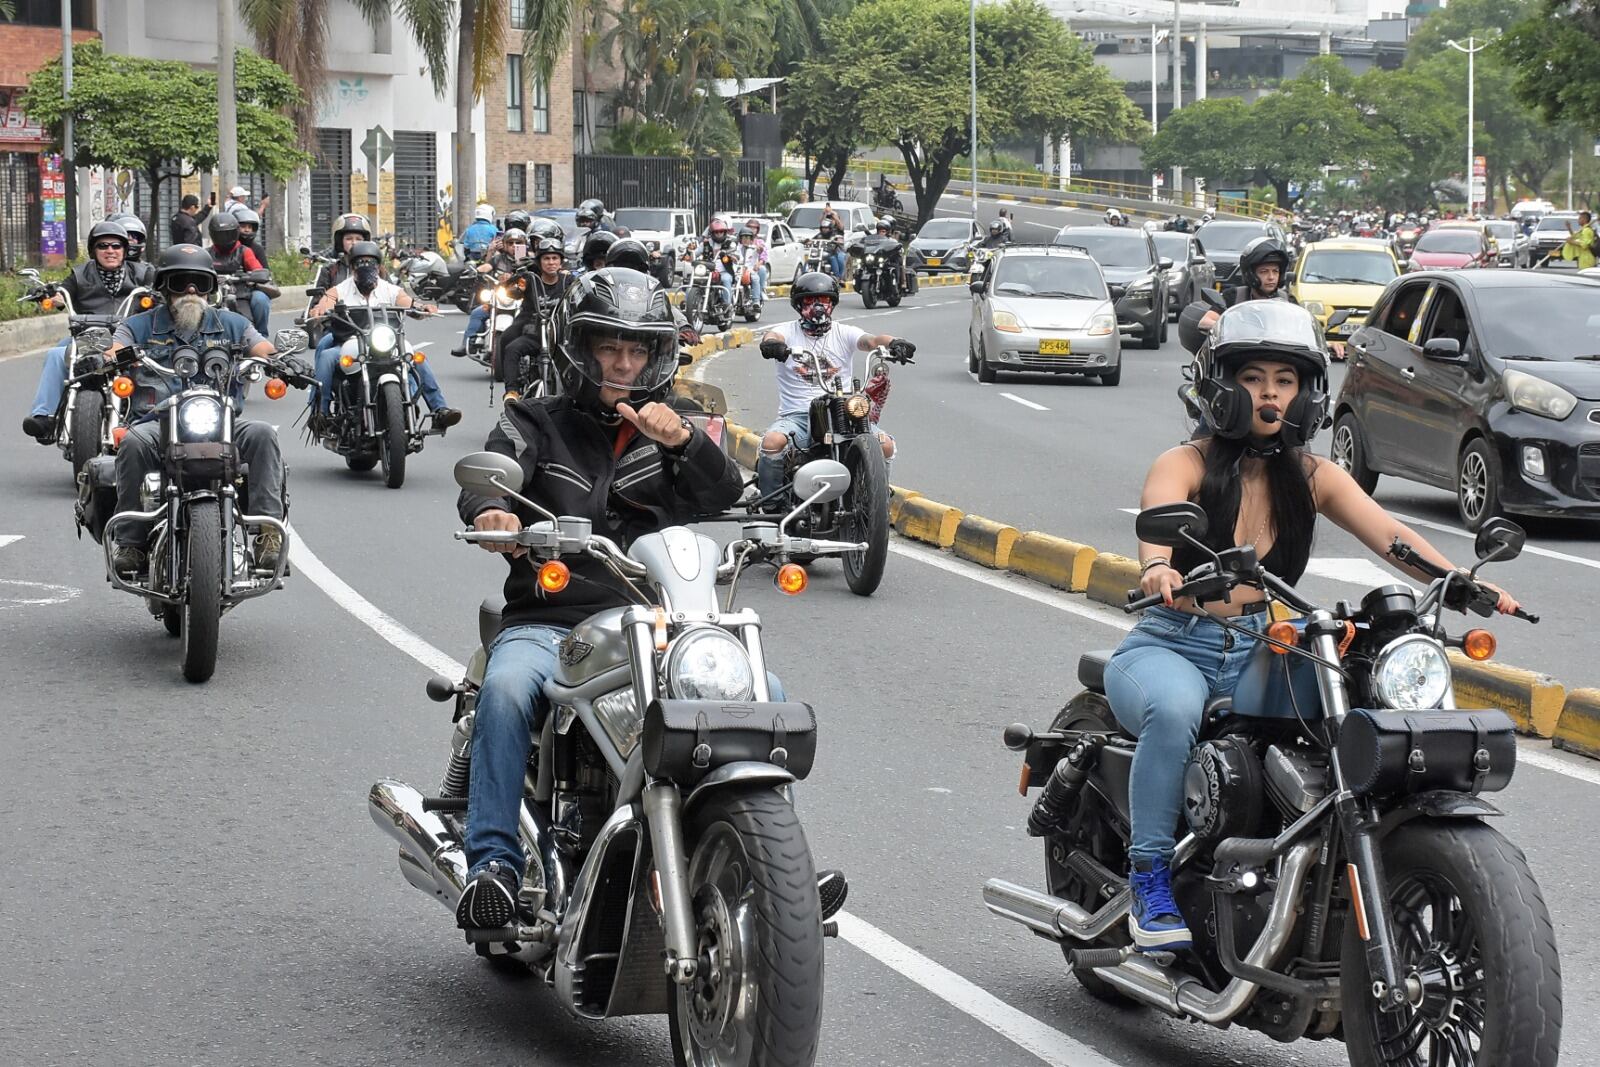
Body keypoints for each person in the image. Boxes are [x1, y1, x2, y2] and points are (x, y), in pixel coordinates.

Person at [1102, 300, 1520, 954]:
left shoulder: (1311, 475)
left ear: (1305, 392)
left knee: (1354, 694)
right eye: (1253, 377)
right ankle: (1150, 873)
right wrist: (1158, 568)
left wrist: (1459, 579)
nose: (1270, 392)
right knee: (1176, 709)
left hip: (1255, 646)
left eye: (1285, 379)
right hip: (1169, 644)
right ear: (1223, 385)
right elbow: (1157, 521)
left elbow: (1389, 533)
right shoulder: (1183, 463)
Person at [452, 266, 747, 927]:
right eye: (608, 347)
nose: (622, 362)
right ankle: (492, 866)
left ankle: (769, 864)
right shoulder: (536, 418)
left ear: (655, 356)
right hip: (554, 620)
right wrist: (495, 513)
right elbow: (490, 478)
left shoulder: (678, 425)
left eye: (636, 349)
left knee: (762, 693)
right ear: (581, 351)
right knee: (503, 691)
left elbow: (728, 491)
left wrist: (684, 441)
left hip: (661, 626)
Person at [103, 244, 306, 574]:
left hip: (222, 422)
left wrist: (284, 362)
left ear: (212, 288)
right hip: (159, 422)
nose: (191, 290)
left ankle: (267, 536)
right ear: (164, 287)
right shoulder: (139, 325)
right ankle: (131, 543)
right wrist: (106, 358)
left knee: (262, 434)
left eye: (200, 283)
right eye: (181, 282)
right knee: (133, 442)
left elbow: (262, 347)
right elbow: (117, 348)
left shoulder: (231, 323)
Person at [754, 272, 915, 506]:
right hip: (798, 416)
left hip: (843, 412)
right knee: (772, 442)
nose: (818, 307)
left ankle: (875, 504)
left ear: (832, 304)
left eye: (824, 301)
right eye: (810, 301)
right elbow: (772, 336)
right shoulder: (787, 332)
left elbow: (871, 341)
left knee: (886, 445)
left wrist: (893, 343)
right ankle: (771, 504)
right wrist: (772, 345)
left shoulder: (844, 333)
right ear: (799, 305)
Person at [305, 241, 460, 430]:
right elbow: (326, 302)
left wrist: (422, 307)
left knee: (416, 358)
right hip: (350, 342)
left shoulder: (389, 289)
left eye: (371, 262)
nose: (367, 266)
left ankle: (439, 410)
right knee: (327, 356)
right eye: (361, 262)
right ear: (353, 267)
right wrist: (320, 310)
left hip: (386, 344)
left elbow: (407, 302)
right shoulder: (340, 289)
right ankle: (321, 414)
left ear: (379, 266)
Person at [23, 220, 152, 441]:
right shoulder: (80, 274)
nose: (110, 251)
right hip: (92, 337)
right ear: (94, 250)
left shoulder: (143, 273)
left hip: (130, 337)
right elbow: (63, 292)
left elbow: (160, 289)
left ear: (124, 249)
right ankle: (45, 417)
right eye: (103, 246)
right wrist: (55, 297)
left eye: (116, 246)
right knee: (57, 354)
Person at [496, 236, 575, 395]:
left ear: (561, 261)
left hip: (561, 336)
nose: (551, 262)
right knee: (510, 346)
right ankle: (512, 391)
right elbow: (509, 290)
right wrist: (517, 277)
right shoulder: (530, 279)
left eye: (555, 258)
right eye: (546, 258)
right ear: (539, 262)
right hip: (535, 332)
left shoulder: (569, 280)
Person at [452, 227, 530, 357]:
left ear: (524, 245)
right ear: (504, 245)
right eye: (510, 243)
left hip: (521, 299)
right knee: (478, 313)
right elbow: (486, 267)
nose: (514, 246)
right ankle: (468, 343)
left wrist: (521, 261)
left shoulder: (529, 261)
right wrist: (475, 271)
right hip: (499, 296)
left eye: (518, 243)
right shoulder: (498, 259)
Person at [207, 212, 273, 336]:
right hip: (214, 295)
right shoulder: (207, 253)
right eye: (220, 235)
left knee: (260, 300)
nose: (223, 238)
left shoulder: (245, 251)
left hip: (241, 294)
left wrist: (251, 276)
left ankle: (261, 337)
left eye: (227, 234)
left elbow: (259, 271)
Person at [737, 219, 769, 307]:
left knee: (761, 271)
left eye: (754, 228)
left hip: (752, 268)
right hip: (739, 268)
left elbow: (762, 253)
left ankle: (758, 296)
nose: (752, 229)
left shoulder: (759, 243)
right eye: (750, 227)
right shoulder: (738, 245)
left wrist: (758, 264)